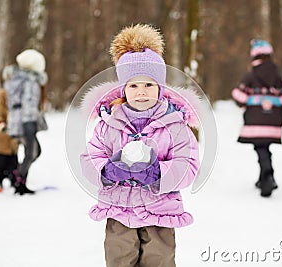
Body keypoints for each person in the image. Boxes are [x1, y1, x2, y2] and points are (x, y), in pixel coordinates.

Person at [80, 24, 200, 266]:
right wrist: (107, 170)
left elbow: (188, 165)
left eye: (149, 85)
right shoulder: (109, 123)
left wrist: (158, 173)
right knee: (119, 260)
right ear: (123, 89)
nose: (141, 92)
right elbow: (90, 157)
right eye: (133, 85)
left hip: (160, 213)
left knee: (159, 261)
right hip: (118, 212)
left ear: (161, 88)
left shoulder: (175, 125)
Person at [231, 39, 282, 197]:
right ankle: (264, 177)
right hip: (273, 121)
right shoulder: (278, 75)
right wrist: (281, 116)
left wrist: (248, 102)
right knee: (264, 148)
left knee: (260, 148)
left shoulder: (251, 75)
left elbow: (238, 95)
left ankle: (267, 177)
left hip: (255, 121)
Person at [3, 49, 48, 195]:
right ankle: (19, 179)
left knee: (34, 151)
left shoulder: (17, 78)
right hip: (25, 121)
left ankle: (19, 178)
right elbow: (28, 102)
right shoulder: (29, 80)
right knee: (32, 152)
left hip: (18, 120)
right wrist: (30, 123)